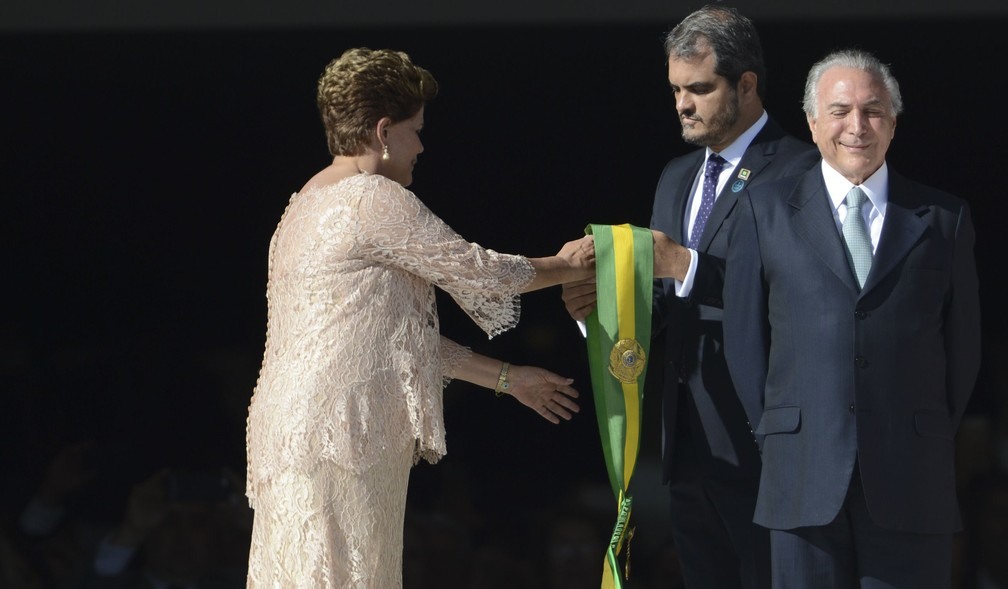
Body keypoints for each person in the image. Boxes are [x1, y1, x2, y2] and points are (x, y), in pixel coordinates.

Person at [243, 47, 595, 588]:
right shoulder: (370, 198)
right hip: (343, 432)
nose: (421, 145)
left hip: (300, 431)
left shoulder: (303, 205)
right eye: (416, 129)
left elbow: (388, 343)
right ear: (383, 131)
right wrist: (567, 266)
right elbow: (479, 271)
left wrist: (507, 379)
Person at [562, 6, 817, 588]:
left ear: (746, 84)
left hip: (767, 449)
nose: (682, 104)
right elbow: (663, 311)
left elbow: (799, 297)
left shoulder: (801, 171)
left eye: (700, 89)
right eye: (676, 89)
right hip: (686, 451)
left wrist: (687, 264)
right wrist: (598, 313)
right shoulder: (676, 176)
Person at [722, 48, 981, 588]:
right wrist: (783, 435)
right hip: (800, 478)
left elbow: (963, 352)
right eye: (840, 111)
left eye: (873, 111)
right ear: (814, 123)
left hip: (911, 480)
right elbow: (745, 345)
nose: (856, 126)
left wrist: (916, 432)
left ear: (893, 123)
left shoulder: (944, 219)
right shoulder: (763, 211)